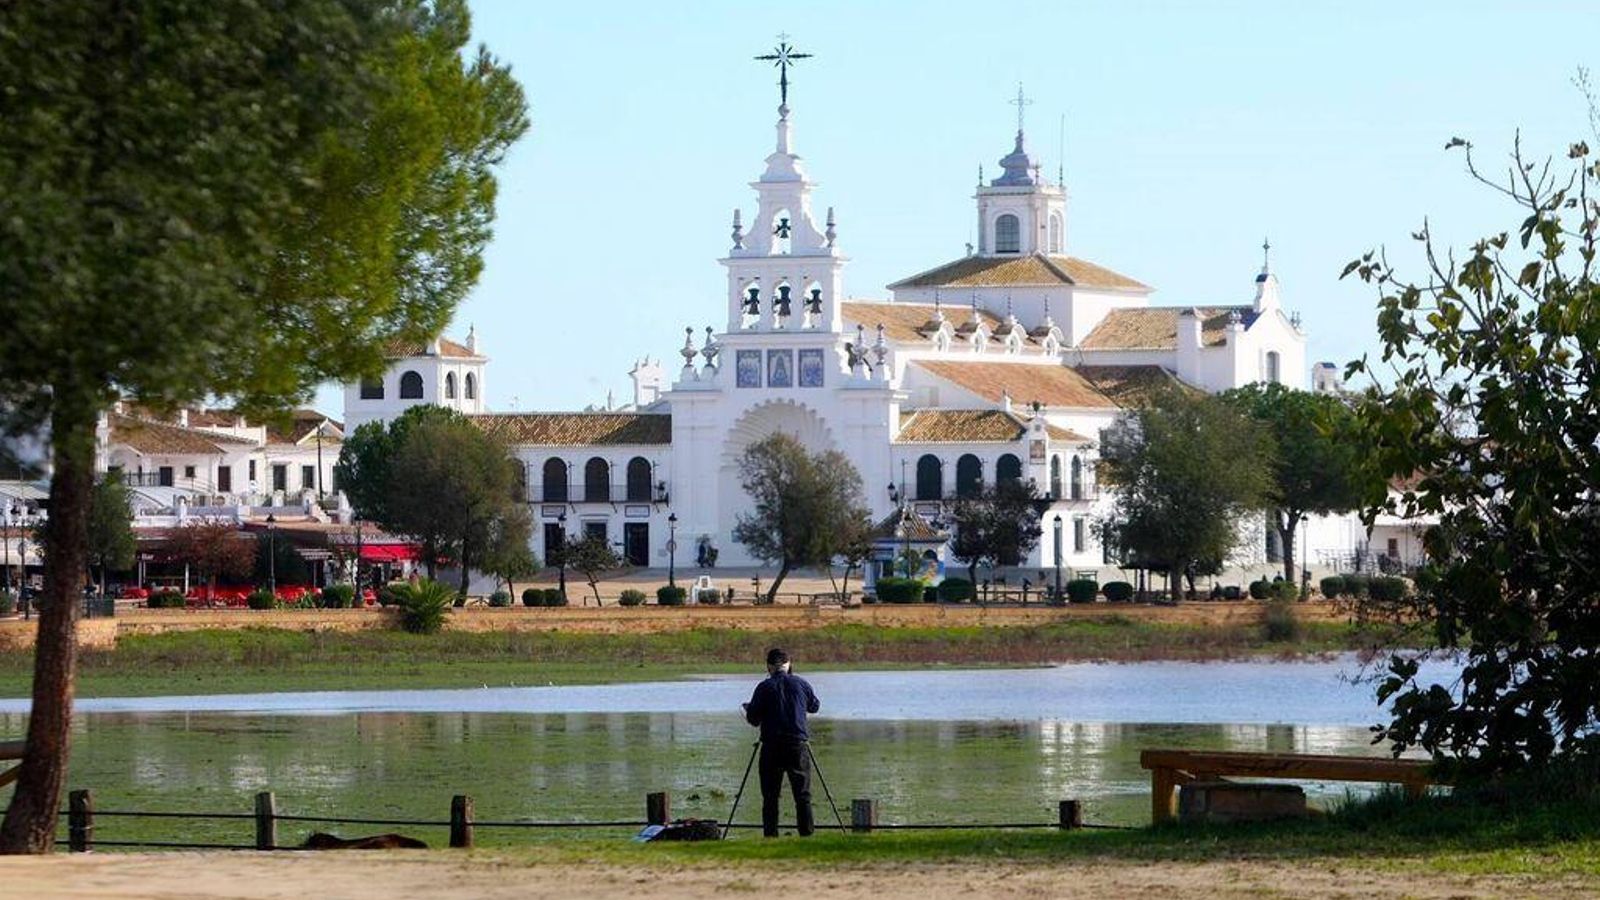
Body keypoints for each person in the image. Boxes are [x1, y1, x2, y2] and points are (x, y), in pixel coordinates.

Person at [742, 647, 820, 837]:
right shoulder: (801, 683)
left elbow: (754, 719)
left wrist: (747, 709)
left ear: (769, 667)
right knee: (802, 795)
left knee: (770, 796)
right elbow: (814, 706)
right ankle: (807, 834)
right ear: (789, 665)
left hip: (771, 747)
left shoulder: (764, 687)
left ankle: (770, 836)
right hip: (798, 745)